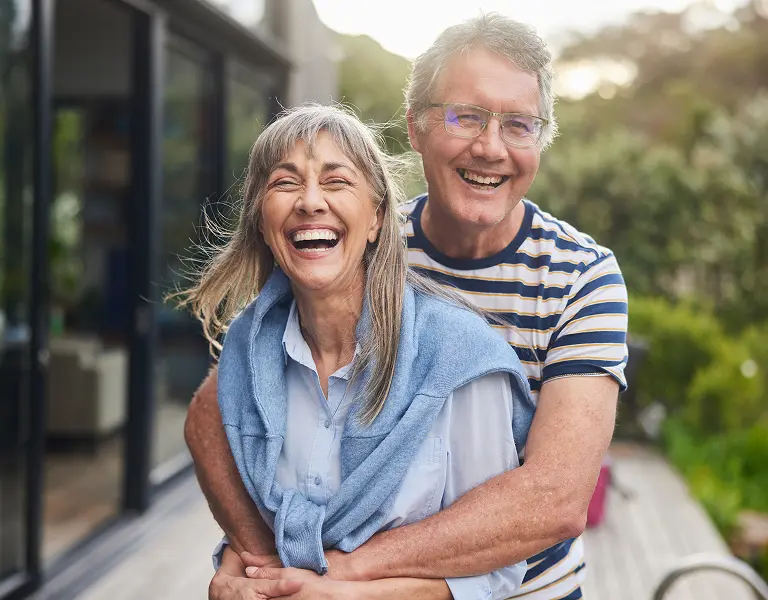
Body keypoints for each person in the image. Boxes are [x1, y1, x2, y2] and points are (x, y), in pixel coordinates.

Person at [185, 13, 628, 600]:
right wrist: (256, 556)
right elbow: (220, 408)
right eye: (465, 116)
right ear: (416, 128)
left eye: (519, 125)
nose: (490, 147)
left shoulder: (582, 276)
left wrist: (340, 571)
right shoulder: (350, 238)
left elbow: (555, 498)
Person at [177, 102, 537, 599]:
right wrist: (235, 577)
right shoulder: (250, 350)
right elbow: (266, 523)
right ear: (262, 222)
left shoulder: (457, 359)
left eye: (336, 181)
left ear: (377, 218)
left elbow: (496, 572)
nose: (309, 201)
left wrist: (347, 595)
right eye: (285, 183)